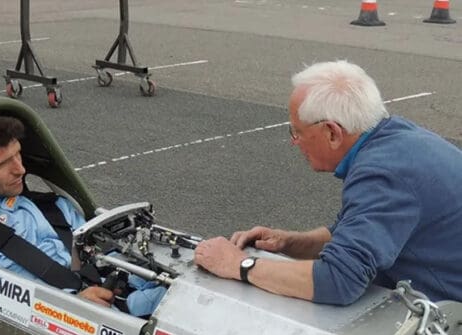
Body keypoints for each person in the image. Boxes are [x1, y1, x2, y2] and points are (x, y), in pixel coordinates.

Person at [194, 60, 462, 305]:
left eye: (297, 131)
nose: (293, 141)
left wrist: (239, 265)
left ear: (332, 132)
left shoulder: (384, 175)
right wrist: (288, 243)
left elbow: (339, 280)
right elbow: (351, 234)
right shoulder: (395, 139)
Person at [0, 114, 166, 317]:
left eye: (18, 155)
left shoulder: (56, 206)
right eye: (3, 164)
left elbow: (96, 254)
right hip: (64, 321)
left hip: (110, 294)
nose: (20, 168)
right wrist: (71, 306)